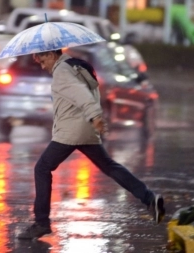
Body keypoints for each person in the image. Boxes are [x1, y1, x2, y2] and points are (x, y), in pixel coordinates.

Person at [17, 49, 165, 240]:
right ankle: (149, 198)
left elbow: (82, 96)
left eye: (43, 59)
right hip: (85, 129)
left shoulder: (62, 70)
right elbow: (87, 92)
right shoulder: (77, 66)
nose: (42, 65)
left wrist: (95, 116)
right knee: (109, 166)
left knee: (42, 168)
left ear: (53, 54)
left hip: (71, 131)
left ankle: (41, 223)